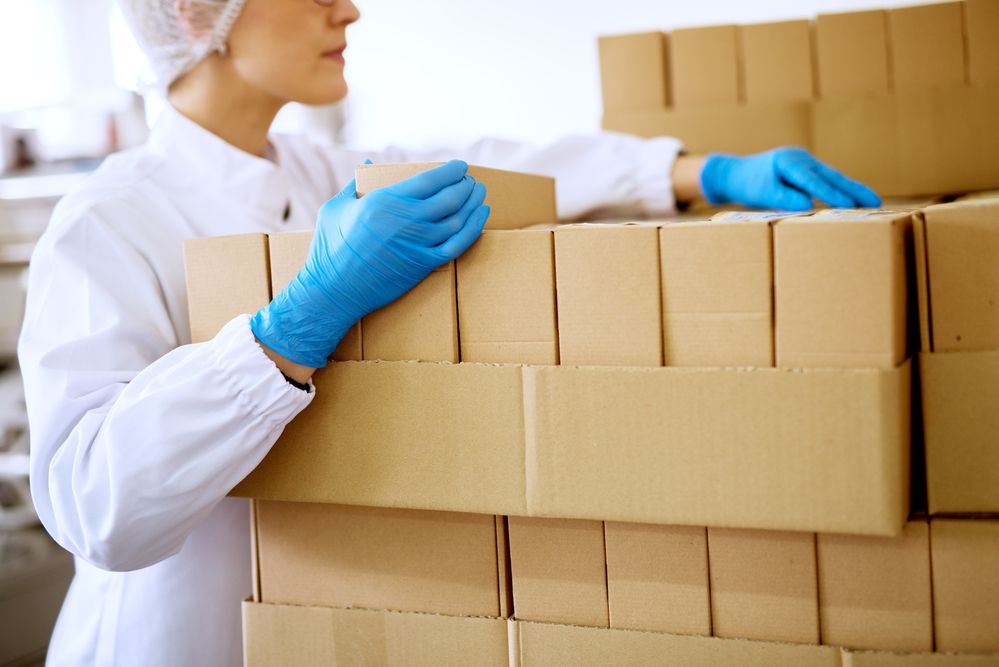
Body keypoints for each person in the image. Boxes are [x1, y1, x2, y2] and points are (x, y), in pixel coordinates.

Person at [18, 1, 881, 665]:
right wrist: (293, 322)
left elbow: (490, 166)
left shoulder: (323, 171)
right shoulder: (110, 220)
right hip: (173, 639)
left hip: (313, 620)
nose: (349, 9)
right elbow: (96, 505)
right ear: (195, 12)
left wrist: (694, 172)